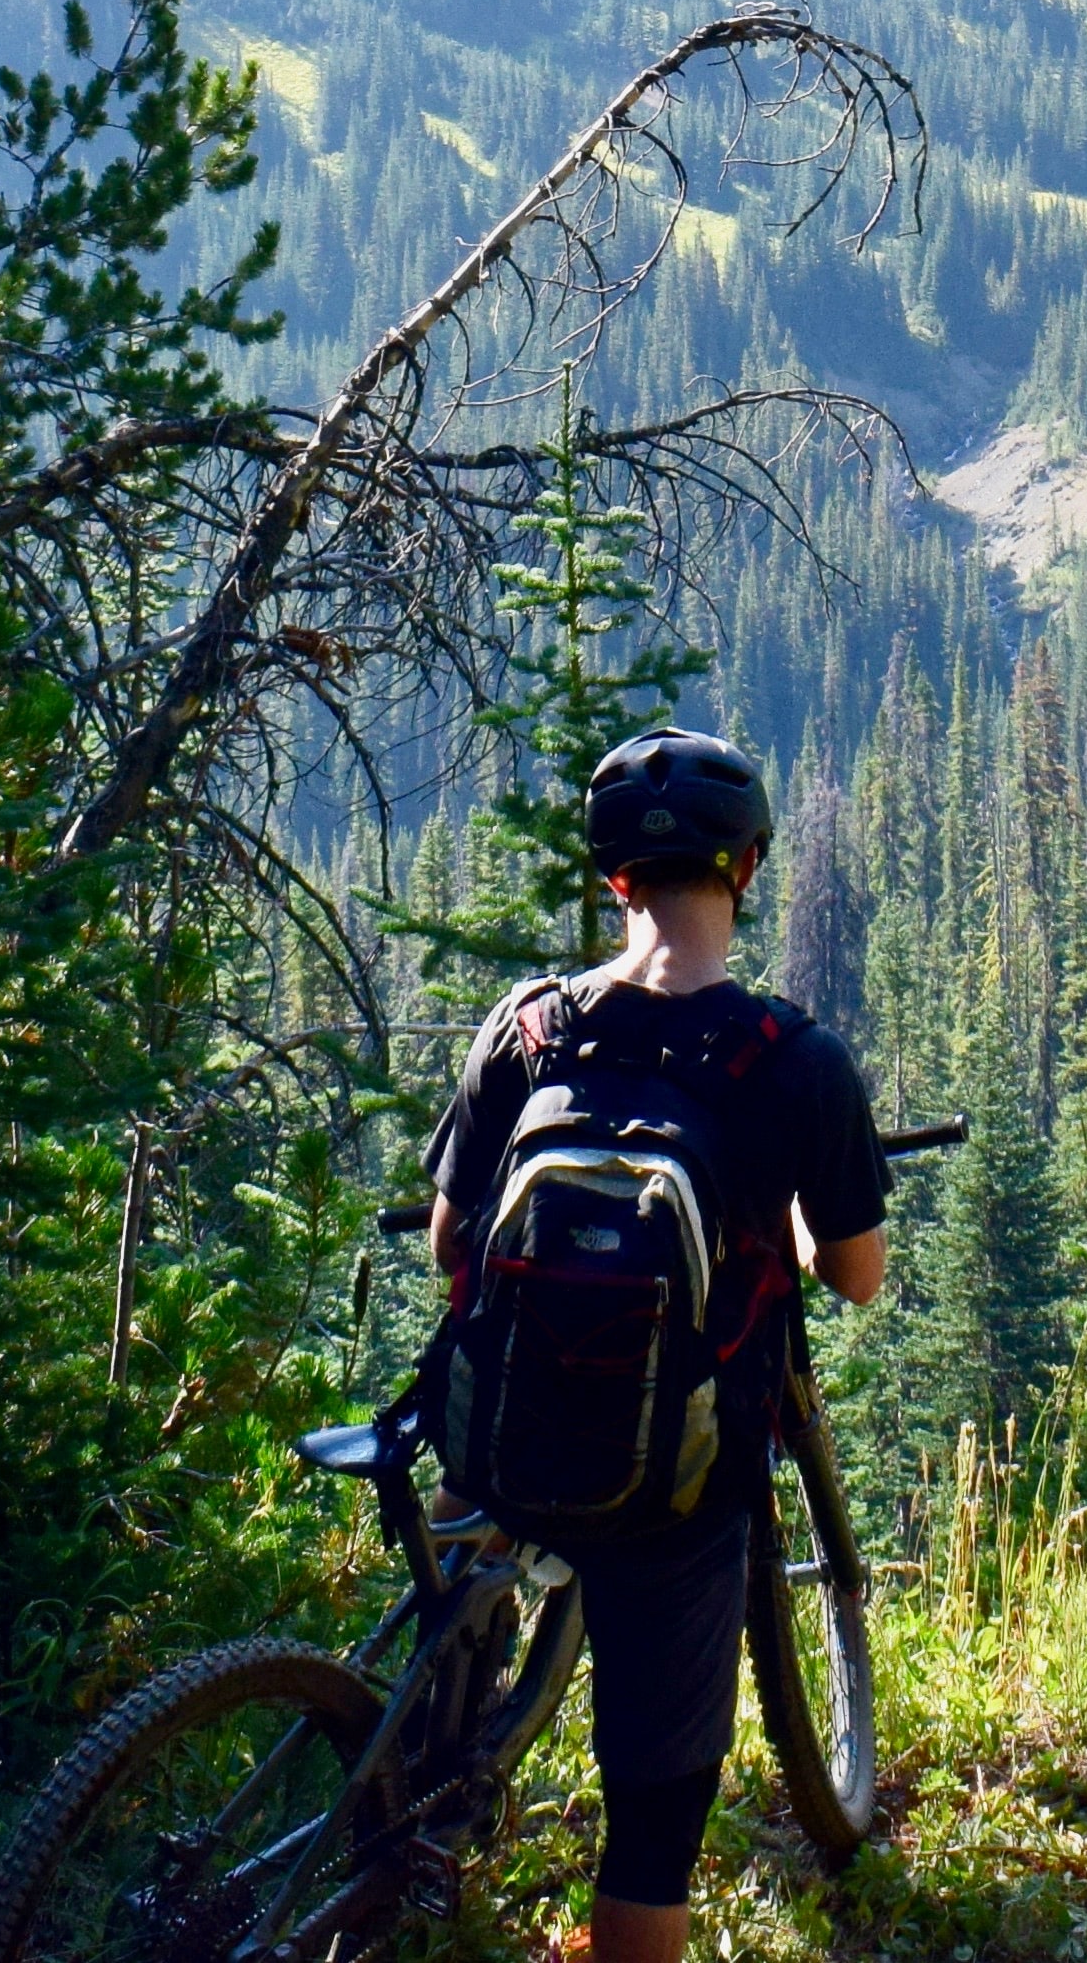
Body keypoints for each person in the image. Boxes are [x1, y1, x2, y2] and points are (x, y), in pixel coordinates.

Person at [420, 728, 890, 1963]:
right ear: (746, 867)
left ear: (614, 876)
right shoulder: (796, 1065)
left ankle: (406, 1801)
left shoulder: (526, 1031)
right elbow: (856, 1276)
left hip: (500, 1442)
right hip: (671, 1491)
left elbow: (448, 1247)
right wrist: (779, 1222)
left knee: (436, 1680)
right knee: (651, 1826)